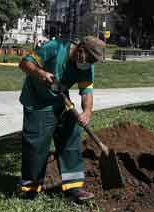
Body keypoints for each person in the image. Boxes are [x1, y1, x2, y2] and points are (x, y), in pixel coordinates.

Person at [16, 35, 105, 203]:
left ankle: (74, 187)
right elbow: (24, 63)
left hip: (62, 101)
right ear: (80, 50)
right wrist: (41, 73)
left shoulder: (86, 65)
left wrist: (87, 112)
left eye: (94, 61)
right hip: (37, 102)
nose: (90, 63)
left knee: (71, 139)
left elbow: (87, 90)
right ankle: (31, 188)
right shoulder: (54, 47)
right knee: (36, 146)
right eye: (90, 58)